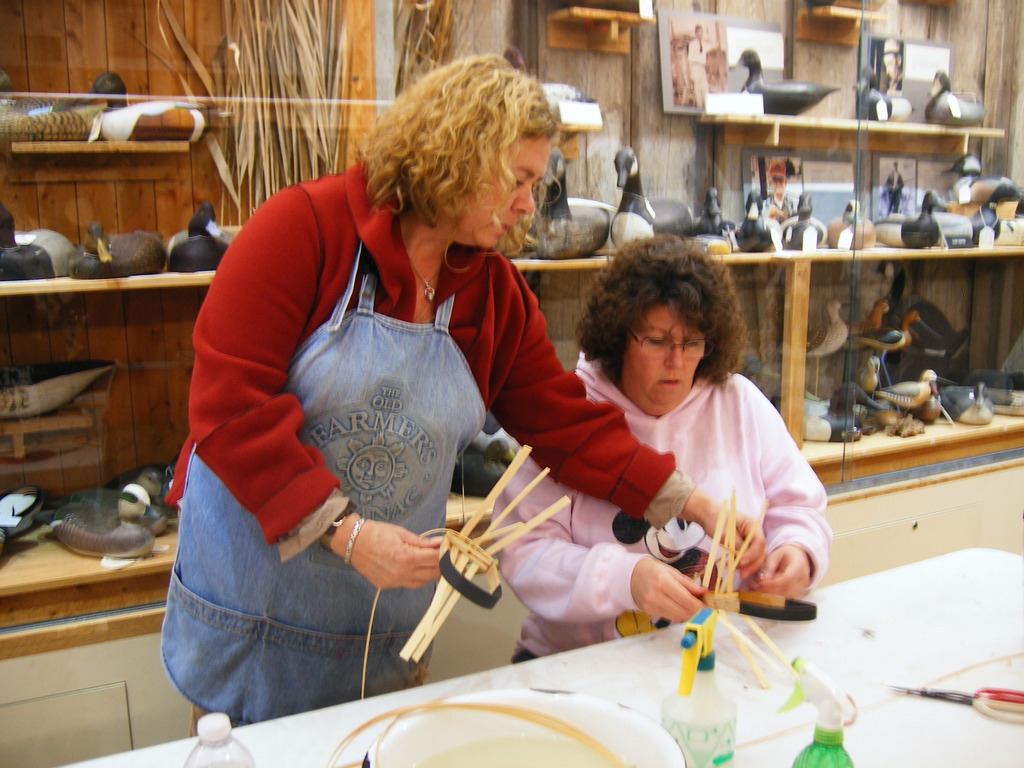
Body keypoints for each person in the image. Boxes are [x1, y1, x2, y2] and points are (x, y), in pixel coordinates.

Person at [159, 55, 738, 726]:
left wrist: (691, 501)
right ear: (459, 157)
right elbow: (230, 407)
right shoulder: (303, 230)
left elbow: (567, 428)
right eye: (518, 180)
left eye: (536, 183)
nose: (528, 204)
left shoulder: (490, 294)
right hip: (255, 617)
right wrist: (347, 533)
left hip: (379, 629)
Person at [497, 234, 830, 661]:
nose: (677, 361)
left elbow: (799, 508)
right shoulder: (571, 413)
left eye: (693, 343)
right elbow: (525, 553)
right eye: (656, 341)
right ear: (618, 336)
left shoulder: (739, 403)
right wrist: (624, 578)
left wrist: (797, 550)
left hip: (715, 656)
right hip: (583, 664)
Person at [687, 25, 710, 108]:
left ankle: (707, 107)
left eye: (701, 32)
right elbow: (690, 59)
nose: (700, 34)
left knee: (705, 87)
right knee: (697, 89)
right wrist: (691, 73)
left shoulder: (704, 44)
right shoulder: (692, 44)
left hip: (702, 67)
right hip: (695, 67)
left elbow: (711, 46)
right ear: (696, 33)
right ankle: (699, 107)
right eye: (698, 32)